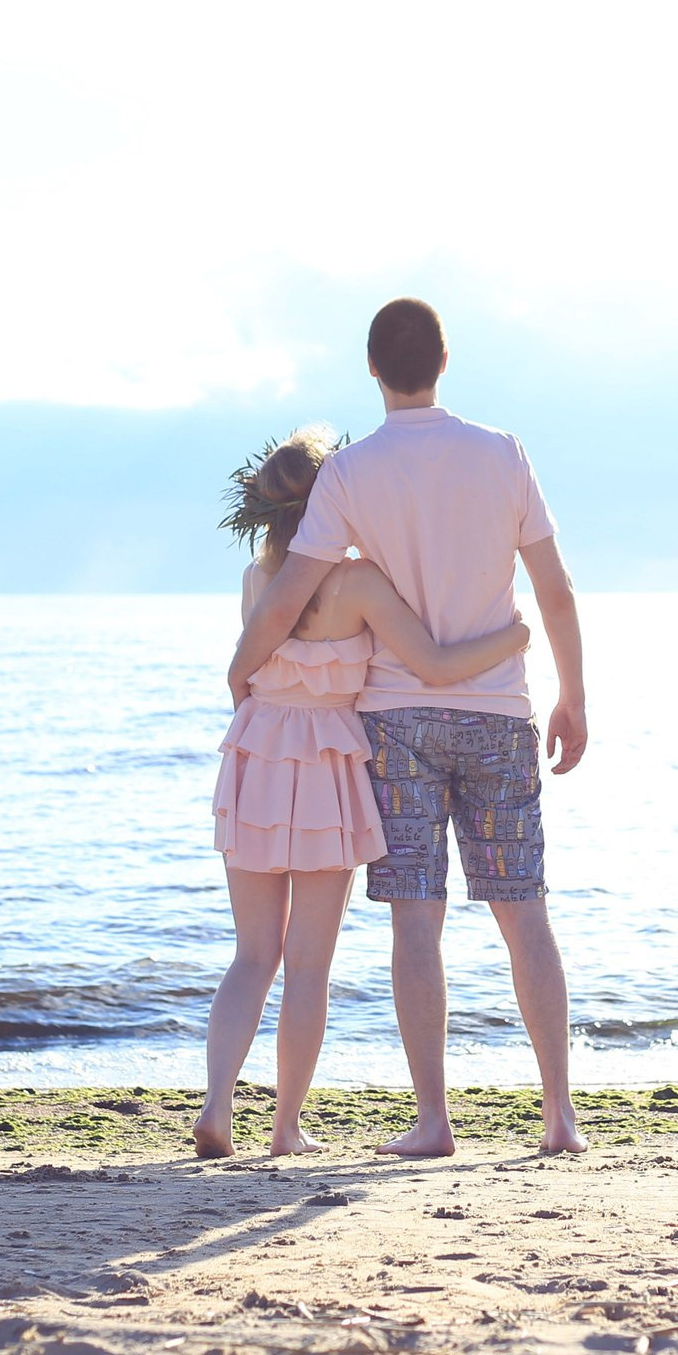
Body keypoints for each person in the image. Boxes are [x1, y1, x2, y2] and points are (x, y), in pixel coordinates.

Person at [227, 298, 590, 1156]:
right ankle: (559, 1117)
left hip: (397, 719)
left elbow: (289, 594)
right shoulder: (503, 454)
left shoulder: (352, 473)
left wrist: (242, 667)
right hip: (498, 707)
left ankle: (434, 1121)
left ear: (372, 369)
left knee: (415, 921)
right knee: (523, 910)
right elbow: (555, 589)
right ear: (445, 358)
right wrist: (574, 692)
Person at [199, 425, 532, 1158]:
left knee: (252, 952)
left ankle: (218, 1102)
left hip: (256, 756)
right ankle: (284, 1127)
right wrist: (513, 639)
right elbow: (437, 665)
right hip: (324, 771)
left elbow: (244, 670)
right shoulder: (358, 584)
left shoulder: (256, 581)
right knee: (308, 962)